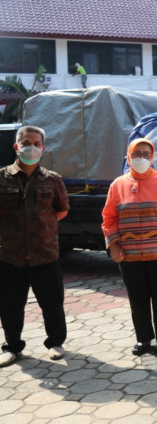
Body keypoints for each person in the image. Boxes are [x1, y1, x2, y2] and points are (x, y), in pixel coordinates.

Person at [102, 138, 157, 356]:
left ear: (152, 157)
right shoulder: (118, 185)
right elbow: (109, 217)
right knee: (137, 299)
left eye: (145, 153)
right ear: (129, 156)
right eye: (137, 153)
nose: (141, 157)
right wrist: (113, 244)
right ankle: (143, 339)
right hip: (129, 256)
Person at [0, 126, 69, 367]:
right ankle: (12, 346)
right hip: (10, 255)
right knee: (9, 305)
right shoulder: (2, 177)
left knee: (52, 303)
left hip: (45, 254)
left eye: (36, 143)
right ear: (16, 146)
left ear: (43, 148)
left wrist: (41, 228)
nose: (31, 146)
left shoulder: (52, 179)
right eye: (25, 142)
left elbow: (61, 211)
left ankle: (55, 343)